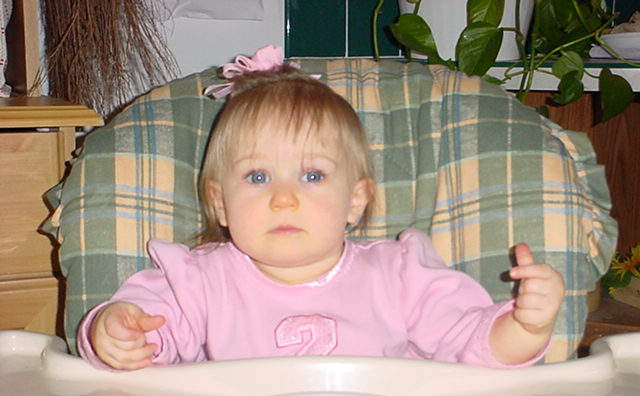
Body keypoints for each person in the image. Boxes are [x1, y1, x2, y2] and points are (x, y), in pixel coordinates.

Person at [77, 46, 565, 371]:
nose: (283, 198)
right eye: (257, 176)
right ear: (220, 203)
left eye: (312, 176)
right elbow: (146, 331)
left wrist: (524, 327)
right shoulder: (195, 283)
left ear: (356, 200)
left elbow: (470, 346)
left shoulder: (400, 275)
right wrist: (115, 334)